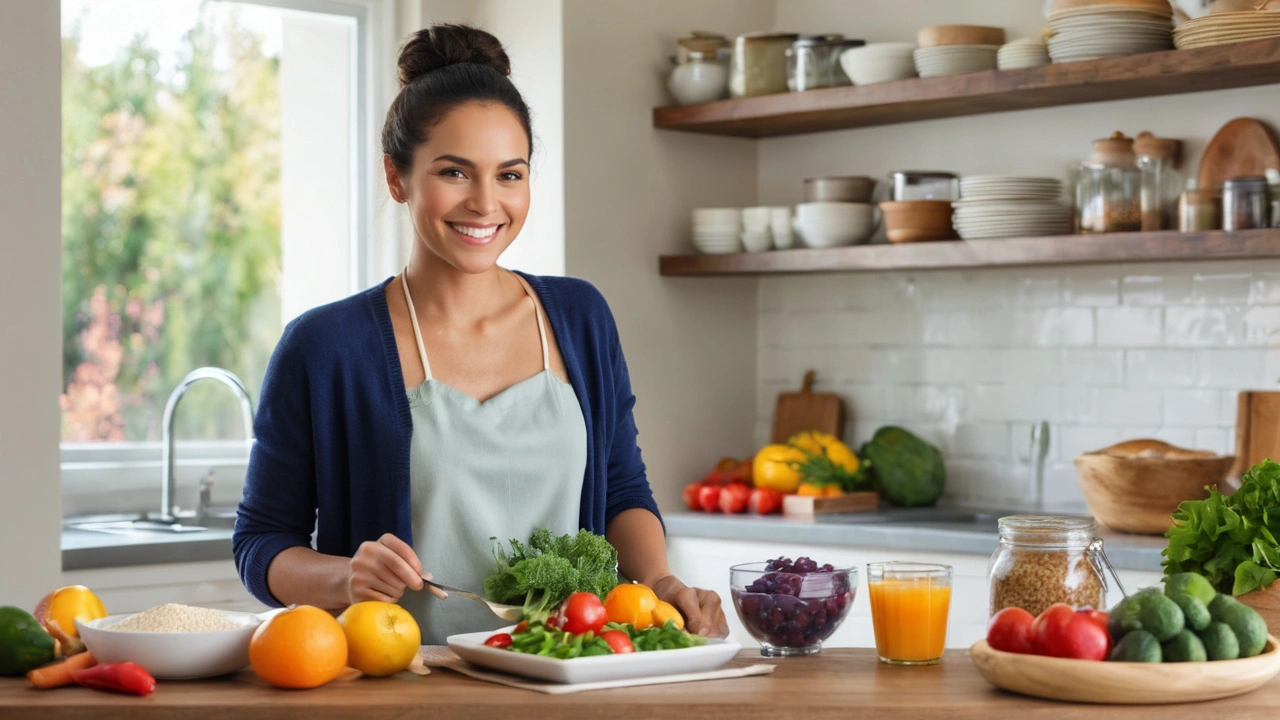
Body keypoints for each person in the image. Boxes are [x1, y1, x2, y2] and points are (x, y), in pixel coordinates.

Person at [232, 23, 728, 644]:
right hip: (403, 685)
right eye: (455, 173)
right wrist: (344, 578)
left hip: (569, 673)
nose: (485, 203)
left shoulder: (579, 316)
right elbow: (260, 542)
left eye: (510, 175)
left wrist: (658, 581)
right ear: (397, 177)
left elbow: (622, 487)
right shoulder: (325, 347)